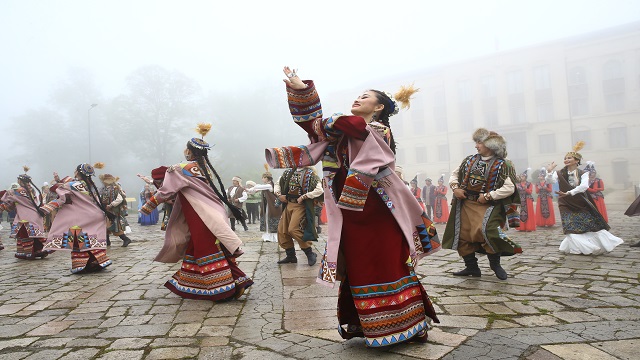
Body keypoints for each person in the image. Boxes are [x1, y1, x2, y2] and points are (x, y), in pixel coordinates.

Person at [265, 67, 440, 347]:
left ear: (379, 107)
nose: (358, 99)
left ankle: (409, 324)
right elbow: (316, 127)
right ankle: (369, 325)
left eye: (366, 97)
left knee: (389, 263)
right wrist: (301, 90)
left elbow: (344, 126)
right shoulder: (339, 133)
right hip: (350, 212)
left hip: (379, 210)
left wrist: (329, 119)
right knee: (359, 265)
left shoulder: (377, 130)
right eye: (358, 95)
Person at [140, 125, 253, 301]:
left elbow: (166, 190)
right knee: (202, 247)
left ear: (188, 151)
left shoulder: (179, 168)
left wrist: (148, 206)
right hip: (213, 213)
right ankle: (237, 281)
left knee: (206, 249)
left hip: (200, 216)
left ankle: (222, 290)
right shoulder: (205, 169)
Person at [442, 128, 522, 280]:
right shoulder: (469, 160)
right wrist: (455, 188)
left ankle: (495, 265)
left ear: (490, 145)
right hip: (466, 204)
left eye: (479, 142)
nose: (476, 146)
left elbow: (509, 188)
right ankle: (472, 267)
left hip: (489, 206)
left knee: (489, 231)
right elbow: (454, 175)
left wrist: (488, 196)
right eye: (476, 142)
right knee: (463, 236)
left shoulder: (503, 165)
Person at [545, 142, 622, 255]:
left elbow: (584, 186)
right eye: (565, 158)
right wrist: (549, 172)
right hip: (565, 202)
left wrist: (569, 192)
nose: (566, 159)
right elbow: (550, 181)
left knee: (587, 224)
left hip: (580, 201)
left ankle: (575, 247)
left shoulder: (583, 173)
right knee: (569, 225)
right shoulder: (559, 173)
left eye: (569, 158)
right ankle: (588, 247)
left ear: (577, 160)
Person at [41, 163, 112, 273]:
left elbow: (59, 193)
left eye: (75, 170)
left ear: (78, 173)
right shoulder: (91, 185)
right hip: (96, 215)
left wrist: (46, 208)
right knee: (93, 240)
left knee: (78, 240)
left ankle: (81, 265)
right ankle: (97, 262)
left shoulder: (72, 185)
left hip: (82, 217)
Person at [273, 166, 323, 266]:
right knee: (282, 230)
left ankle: (309, 252)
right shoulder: (288, 172)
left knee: (294, 229)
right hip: (288, 204)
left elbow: (319, 190)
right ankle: (291, 256)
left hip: (300, 206)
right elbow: (277, 183)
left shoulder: (310, 174)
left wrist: (305, 196)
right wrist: (279, 195)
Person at [0, 167, 49, 259]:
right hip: (34, 215)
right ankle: (38, 251)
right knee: (34, 235)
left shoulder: (18, 191)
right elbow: (16, 203)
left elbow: (6, 196)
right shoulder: (33, 190)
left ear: (20, 181)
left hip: (25, 216)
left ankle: (29, 253)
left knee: (25, 235)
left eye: (18, 180)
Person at [246, 166, 282, 242]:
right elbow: (257, 189)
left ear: (266, 178)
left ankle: (274, 236)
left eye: (263, 177)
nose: (262, 179)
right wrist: (249, 190)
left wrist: (252, 188)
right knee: (266, 219)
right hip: (267, 205)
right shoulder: (266, 186)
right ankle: (268, 235)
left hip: (272, 206)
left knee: (271, 219)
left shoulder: (269, 185)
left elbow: (259, 187)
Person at [99, 174, 132, 247]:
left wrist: (111, 205)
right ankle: (107, 241)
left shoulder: (115, 188)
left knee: (115, 226)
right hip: (106, 210)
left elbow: (120, 199)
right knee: (105, 226)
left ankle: (126, 239)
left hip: (114, 211)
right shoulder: (104, 189)